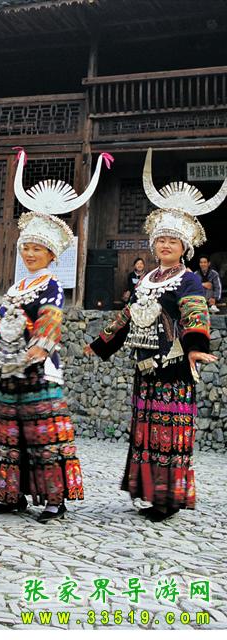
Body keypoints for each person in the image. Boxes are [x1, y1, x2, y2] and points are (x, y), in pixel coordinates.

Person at [0, 147, 111, 522]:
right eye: (25, 248)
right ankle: (13, 495)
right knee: (10, 433)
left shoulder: (51, 287)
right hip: (10, 370)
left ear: (51, 255)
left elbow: (50, 319)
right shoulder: (15, 289)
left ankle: (54, 498)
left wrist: (41, 347)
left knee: (44, 433)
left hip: (38, 371)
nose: (29, 254)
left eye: (37, 249)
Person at [85, 148, 222, 522]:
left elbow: (194, 313)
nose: (165, 246)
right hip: (144, 365)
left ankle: (168, 500)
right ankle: (149, 493)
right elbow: (128, 315)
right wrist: (101, 343)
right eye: (161, 240)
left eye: (172, 242)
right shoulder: (147, 278)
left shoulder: (188, 279)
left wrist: (195, 347)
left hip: (173, 366)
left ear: (184, 248)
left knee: (169, 431)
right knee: (146, 429)